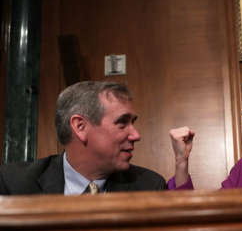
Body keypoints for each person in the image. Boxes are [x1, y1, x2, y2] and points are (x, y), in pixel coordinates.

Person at [0, 81, 166, 195]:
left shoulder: (150, 186)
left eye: (133, 123)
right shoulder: (12, 184)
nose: (136, 135)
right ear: (80, 127)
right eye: (122, 124)